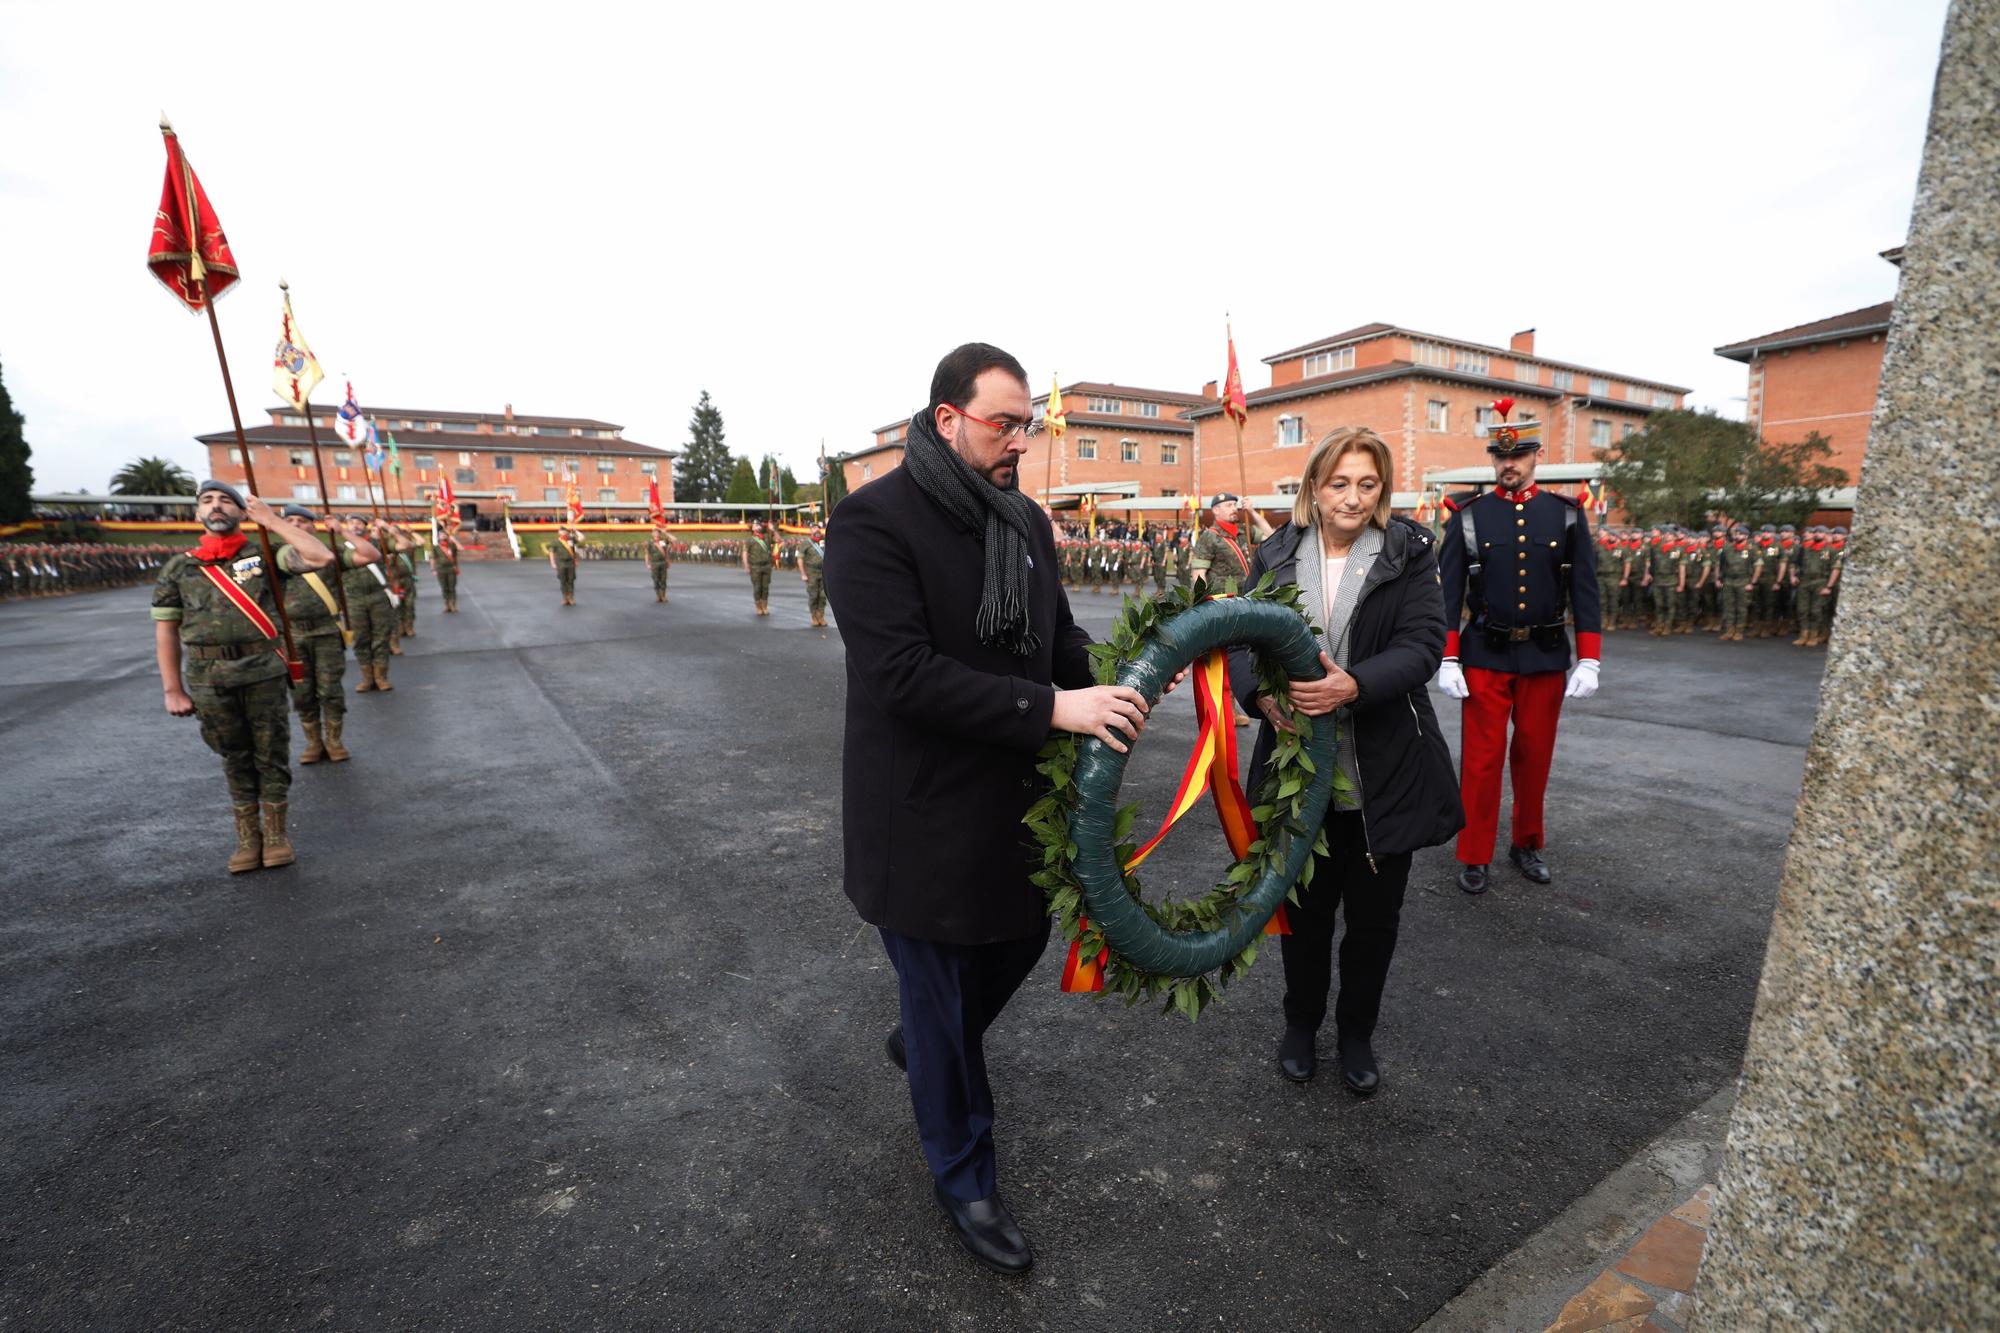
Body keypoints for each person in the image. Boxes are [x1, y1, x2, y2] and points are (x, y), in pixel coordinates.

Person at [823, 342, 1167, 1276]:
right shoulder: (871, 522)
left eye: (1028, 424)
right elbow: (901, 676)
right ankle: (964, 1172)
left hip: (1012, 804)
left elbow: (1058, 643)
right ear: (948, 419)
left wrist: (1149, 668)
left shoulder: (1023, 522)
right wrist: (1056, 710)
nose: (1022, 438)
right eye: (1005, 422)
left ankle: (925, 1043)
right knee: (940, 998)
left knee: (1012, 948)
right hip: (922, 813)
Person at [1233, 428, 1462, 1095]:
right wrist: (1259, 697)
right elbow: (1241, 640)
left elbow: (1423, 646)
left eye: (1368, 484)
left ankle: (1356, 1033)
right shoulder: (1275, 551)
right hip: (1296, 772)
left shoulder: (1408, 551)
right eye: (1340, 483)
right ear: (1314, 485)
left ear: (1382, 489)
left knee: (1372, 923)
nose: (1354, 498)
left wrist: (1352, 684)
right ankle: (1300, 1025)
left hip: (1381, 773)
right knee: (1301, 916)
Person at [1435, 402, 1602, 895]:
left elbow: (1586, 591)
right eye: (1501, 457)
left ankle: (1527, 843)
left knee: (1535, 756)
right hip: (1485, 652)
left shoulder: (1566, 516)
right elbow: (1446, 594)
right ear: (1493, 460)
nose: (1511, 464)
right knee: (1481, 762)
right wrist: (1447, 655)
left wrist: (1589, 657)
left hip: (1546, 654)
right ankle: (1474, 853)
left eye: (1521, 454)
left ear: (1537, 456)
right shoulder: (1469, 518)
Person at [152, 481, 334, 872]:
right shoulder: (179, 567)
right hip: (208, 677)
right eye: (207, 501)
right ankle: (247, 839)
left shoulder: (265, 554)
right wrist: (172, 689)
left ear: (241, 513)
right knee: (234, 756)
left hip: (261, 672)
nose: (216, 506)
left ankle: (275, 836)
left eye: (226, 501)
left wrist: (270, 521)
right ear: (197, 514)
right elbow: (166, 631)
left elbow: (320, 556)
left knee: (270, 754)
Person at [280, 505, 374, 764]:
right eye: (290, 520)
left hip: (326, 633)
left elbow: (370, 554)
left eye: (303, 521)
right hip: (291, 636)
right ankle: (313, 742)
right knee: (301, 693)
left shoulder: (329, 553)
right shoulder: (273, 555)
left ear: (314, 526)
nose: (297, 525)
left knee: (330, 690)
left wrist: (343, 531)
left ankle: (334, 740)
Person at [339, 515, 397, 691]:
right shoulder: (340, 548)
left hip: (377, 596)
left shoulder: (376, 543)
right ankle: (367, 678)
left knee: (381, 637)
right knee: (360, 638)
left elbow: (405, 545)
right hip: (353, 598)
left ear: (365, 526)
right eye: (351, 523)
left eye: (359, 523)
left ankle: (381, 677)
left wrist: (385, 527)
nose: (355, 525)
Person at [742, 518, 775, 616]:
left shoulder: (766, 537)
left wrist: (773, 530)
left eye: (759, 525)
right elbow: (745, 553)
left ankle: (764, 606)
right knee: (757, 587)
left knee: (765, 587)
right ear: (752, 528)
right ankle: (758, 607)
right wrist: (746, 566)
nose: (758, 526)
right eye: (756, 525)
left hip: (766, 566)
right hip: (755, 566)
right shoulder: (749, 540)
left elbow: (779, 540)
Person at [797, 522, 827, 626]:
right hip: (811, 572)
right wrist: (803, 573)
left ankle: (821, 617)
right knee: (814, 595)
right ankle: (814, 617)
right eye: (814, 528)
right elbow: (800, 558)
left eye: (818, 528)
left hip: (824, 572)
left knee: (823, 596)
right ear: (810, 531)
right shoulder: (806, 543)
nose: (817, 529)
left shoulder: (826, 540)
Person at [549, 525, 580, 606]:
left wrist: (576, 531)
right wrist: (552, 563)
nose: (563, 533)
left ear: (567, 532)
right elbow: (551, 553)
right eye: (561, 531)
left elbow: (582, 538)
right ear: (559, 533)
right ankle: (565, 598)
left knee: (571, 580)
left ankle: (571, 597)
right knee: (563, 581)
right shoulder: (555, 542)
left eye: (565, 531)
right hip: (561, 563)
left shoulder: (571, 540)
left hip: (570, 563)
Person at [433, 528, 461, 613]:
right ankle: (447, 605)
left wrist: (453, 540)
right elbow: (434, 559)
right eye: (441, 535)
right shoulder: (436, 547)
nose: (442, 536)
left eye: (444, 534)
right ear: (438, 537)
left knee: (452, 587)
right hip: (441, 569)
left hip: (451, 569)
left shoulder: (452, 546)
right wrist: (434, 569)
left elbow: (459, 550)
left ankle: (453, 604)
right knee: (444, 588)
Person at [646, 522, 672, 603]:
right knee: (656, 580)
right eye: (655, 532)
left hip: (663, 563)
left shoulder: (662, 542)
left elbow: (674, 539)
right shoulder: (649, 543)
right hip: (654, 564)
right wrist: (647, 564)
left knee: (663, 580)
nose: (656, 533)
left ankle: (663, 596)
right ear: (652, 534)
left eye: (658, 532)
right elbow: (647, 554)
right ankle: (658, 596)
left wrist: (665, 532)